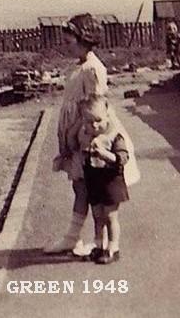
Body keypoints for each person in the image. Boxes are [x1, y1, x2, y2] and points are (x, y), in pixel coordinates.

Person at [44, 13, 140, 256]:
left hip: (87, 135)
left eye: (69, 42)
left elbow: (96, 107)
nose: (65, 47)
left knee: (84, 187)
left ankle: (77, 238)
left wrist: (77, 136)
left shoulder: (94, 69)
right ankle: (84, 239)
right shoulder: (80, 65)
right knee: (81, 188)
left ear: (84, 39)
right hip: (76, 134)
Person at [77, 96, 130, 264]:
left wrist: (104, 154)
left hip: (110, 180)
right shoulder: (86, 135)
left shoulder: (114, 135)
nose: (94, 125)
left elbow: (122, 157)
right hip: (94, 179)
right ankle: (99, 245)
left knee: (110, 215)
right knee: (97, 214)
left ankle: (113, 247)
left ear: (107, 116)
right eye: (88, 122)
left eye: (98, 120)